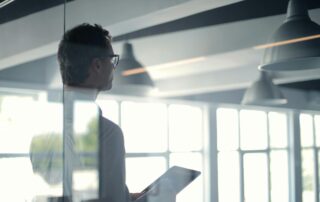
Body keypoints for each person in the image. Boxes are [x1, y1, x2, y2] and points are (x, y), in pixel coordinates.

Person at [57, 23, 140, 202]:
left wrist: (127, 196)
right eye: (112, 60)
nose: (113, 67)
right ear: (97, 65)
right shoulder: (107, 133)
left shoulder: (44, 128)